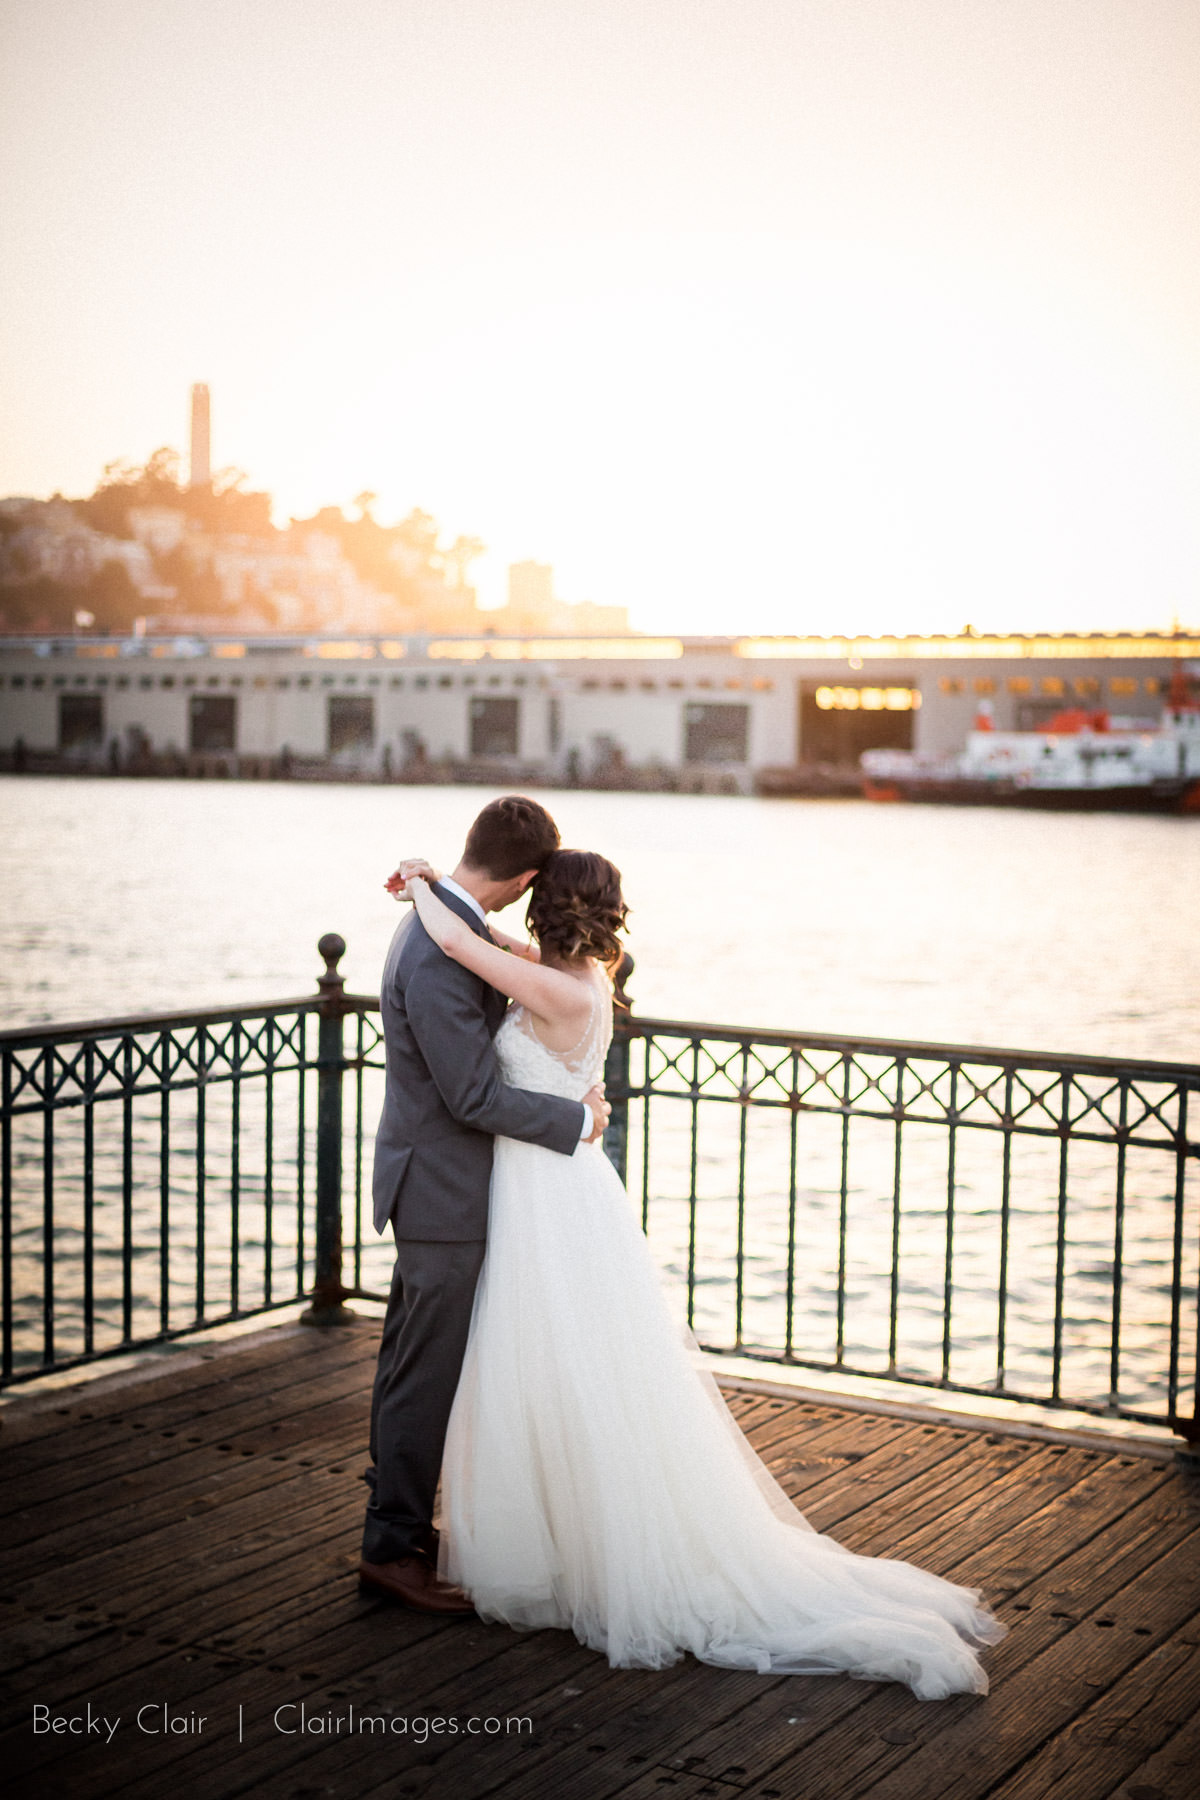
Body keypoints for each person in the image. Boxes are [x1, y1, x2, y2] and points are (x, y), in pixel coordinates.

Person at [391, 845, 1008, 1700]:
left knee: (558, 1365)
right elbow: (486, 941)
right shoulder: (575, 978)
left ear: (547, 909)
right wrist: (447, 891)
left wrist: (424, 882)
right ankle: (563, 1537)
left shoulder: (556, 986)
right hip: (553, 1186)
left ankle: (578, 1547)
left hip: (550, 1196)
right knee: (558, 1369)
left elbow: (462, 946)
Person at [359, 796, 610, 1614]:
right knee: (422, 1377)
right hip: (442, 1191)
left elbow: (491, 956)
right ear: (528, 877)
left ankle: (398, 1532)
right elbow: (469, 1094)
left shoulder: (445, 922)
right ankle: (392, 1548)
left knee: (412, 1369)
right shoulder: (438, 951)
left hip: (445, 1184)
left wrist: (424, 877)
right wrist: (576, 1121)